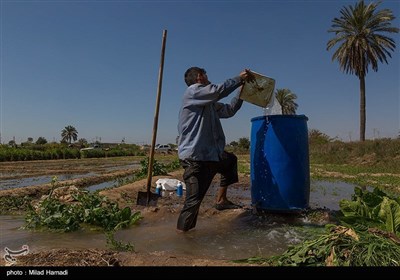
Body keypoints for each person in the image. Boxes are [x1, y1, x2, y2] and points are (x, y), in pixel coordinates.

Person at [176, 66, 255, 232]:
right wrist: (239, 79)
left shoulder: (209, 102)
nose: (208, 77)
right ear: (199, 77)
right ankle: (183, 237)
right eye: (206, 74)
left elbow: (229, 110)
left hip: (211, 156)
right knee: (192, 203)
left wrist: (241, 91)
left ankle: (221, 200)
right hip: (195, 159)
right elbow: (219, 90)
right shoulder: (193, 92)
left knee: (230, 161)